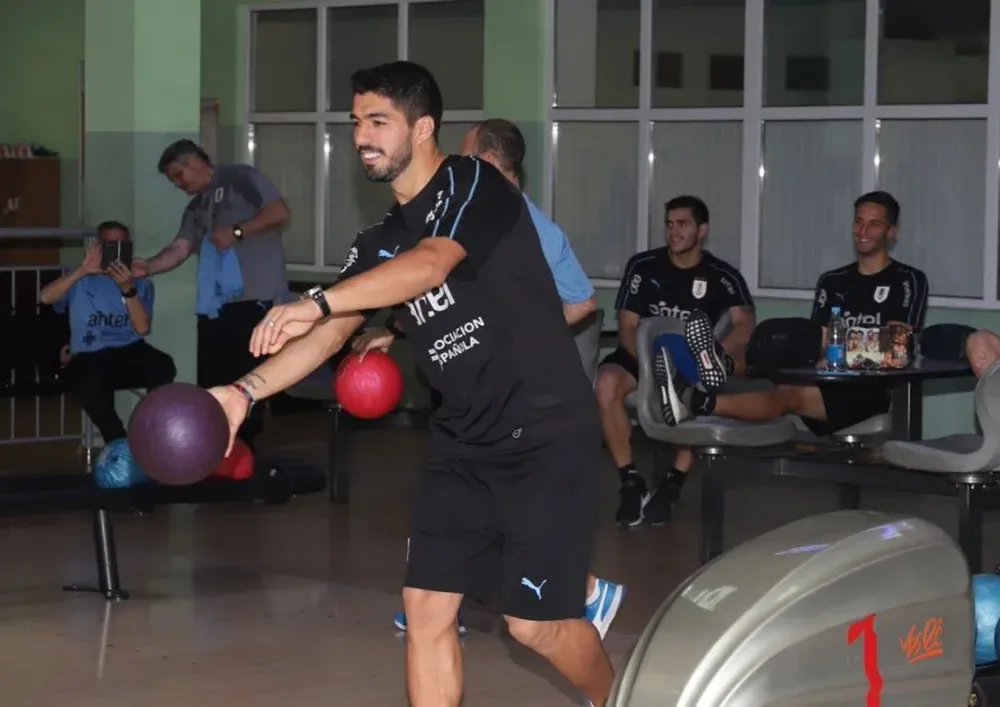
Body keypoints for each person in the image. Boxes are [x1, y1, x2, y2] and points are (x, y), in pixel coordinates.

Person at [206, 61, 616, 707]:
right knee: (425, 607)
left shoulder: (473, 182)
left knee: (533, 625)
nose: (361, 137)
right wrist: (243, 391)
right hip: (462, 441)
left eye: (378, 122)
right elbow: (330, 334)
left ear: (423, 128)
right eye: (355, 123)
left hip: (543, 431)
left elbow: (431, 265)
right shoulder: (378, 240)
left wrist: (316, 301)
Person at [354, 117, 622, 640]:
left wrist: (516, 333)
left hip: (525, 401)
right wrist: (397, 329)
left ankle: (583, 590)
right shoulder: (463, 213)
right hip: (472, 392)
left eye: (464, 156)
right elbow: (452, 295)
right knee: (462, 503)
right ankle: (436, 600)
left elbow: (582, 301)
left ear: (489, 162)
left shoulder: (519, 219)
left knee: (495, 509)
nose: (450, 166)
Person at [657, 191, 930, 435]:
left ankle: (696, 399)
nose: (863, 230)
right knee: (770, 341)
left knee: (789, 382)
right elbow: (811, 345)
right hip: (825, 378)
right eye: (858, 221)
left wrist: (834, 342)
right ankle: (721, 366)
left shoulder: (908, 280)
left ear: (891, 232)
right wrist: (824, 346)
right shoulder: (832, 281)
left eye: (874, 224)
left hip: (868, 391)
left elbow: (896, 348)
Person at [597, 195, 755, 528]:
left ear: (702, 230)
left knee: (698, 387)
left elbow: (744, 325)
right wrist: (650, 367)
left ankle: (673, 482)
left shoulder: (722, 275)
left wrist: (712, 354)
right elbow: (627, 326)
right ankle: (630, 481)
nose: (674, 232)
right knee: (606, 383)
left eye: (683, 224)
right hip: (641, 357)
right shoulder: (643, 266)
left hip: (691, 362)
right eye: (669, 224)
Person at [131, 140, 291, 451]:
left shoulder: (240, 178)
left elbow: (279, 212)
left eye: (178, 176)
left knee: (248, 379)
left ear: (193, 162)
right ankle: (214, 449)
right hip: (215, 306)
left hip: (255, 299)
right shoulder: (195, 207)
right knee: (213, 378)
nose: (178, 185)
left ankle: (244, 451)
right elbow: (180, 248)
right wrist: (146, 267)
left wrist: (237, 232)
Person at [39, 221, 176, 444]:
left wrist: (128, 288)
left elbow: (142, 328)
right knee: (87, 377)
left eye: (122, 246)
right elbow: (46, 297)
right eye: (109, 245)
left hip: (129, 349)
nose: (115, 252)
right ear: (98, 247)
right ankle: (117, 442)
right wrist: (83, 270)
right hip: (90, 355)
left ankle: (147, 431)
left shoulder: (140, 282)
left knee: (164, 366)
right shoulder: (80, 278)